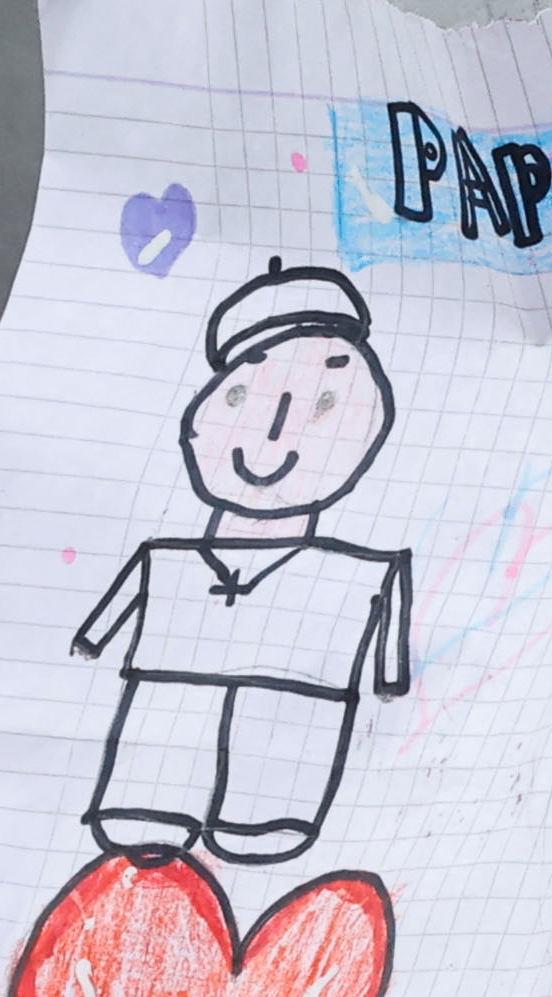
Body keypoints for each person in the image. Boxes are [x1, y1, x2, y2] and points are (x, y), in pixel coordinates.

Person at [73, 261, 415, 866]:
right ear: (203, 418)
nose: (274, 435)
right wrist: (90, 642)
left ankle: (263, 811)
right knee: (161, 743)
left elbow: (389, 649)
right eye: (240, 396)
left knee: (275, 769)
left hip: (298, 695)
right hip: (171, 675)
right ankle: (152, 796)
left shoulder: (361, 573)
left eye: (323, 404)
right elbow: (103, 624)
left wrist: (389, 682)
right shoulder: (166, 561)